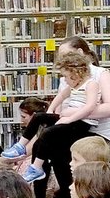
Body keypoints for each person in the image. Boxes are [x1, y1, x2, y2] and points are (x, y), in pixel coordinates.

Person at [25, 37, 110, 198]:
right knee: (45, 141)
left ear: (79, 54)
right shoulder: (69, 77)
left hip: (98, 132)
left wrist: (74, 113)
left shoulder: (101, 75)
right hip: (73, 126)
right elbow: (61, 107)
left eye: (64, 55)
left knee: (58, 146)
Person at [21, 51, 100, 183]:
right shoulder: (74, 86)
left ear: (76, 73)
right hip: (70, 119)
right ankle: (20, 146)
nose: (65, 80)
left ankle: (37, 167)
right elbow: (61, 96)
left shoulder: (91, 84)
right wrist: (51, 111)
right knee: (39, 117)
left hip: (82, 123)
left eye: (66, 76)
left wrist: (70, 118)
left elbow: (90, 107)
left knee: (48, 133)